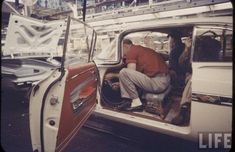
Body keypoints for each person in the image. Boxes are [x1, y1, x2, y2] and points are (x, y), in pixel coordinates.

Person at [105, 39, 170, 111]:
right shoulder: (141, 49)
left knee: (124, 72)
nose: (121, 53)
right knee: (125, 73)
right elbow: (135, 77)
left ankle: (135, 103)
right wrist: (120, 83)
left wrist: (113, 75)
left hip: (158, 83)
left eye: (120, 50)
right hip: (165, 80)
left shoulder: (132, 51)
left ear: (125, 46)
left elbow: (128, 73)